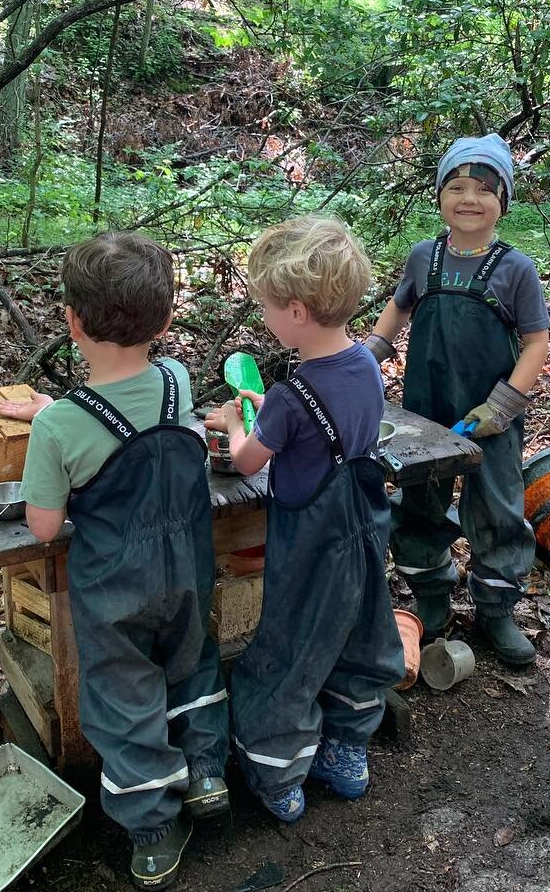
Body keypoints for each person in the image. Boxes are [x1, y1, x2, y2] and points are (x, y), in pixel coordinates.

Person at [0, 233, 227, 891]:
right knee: (192, 660)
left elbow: (44, 524)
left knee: (121, 694)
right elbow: (135, 421)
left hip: (114, 586)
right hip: (185, 565)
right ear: (166, 320)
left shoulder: (58, 427)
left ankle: (152, 830)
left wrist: (51, 427)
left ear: (71, 321)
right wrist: (58, 414)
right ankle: (206, 773)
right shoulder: (175, 379)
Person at [204, 216, 405, 824]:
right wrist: (276, 413)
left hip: (311, 543)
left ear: (294, 312)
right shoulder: (365, 364)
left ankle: (278, 771)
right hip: (364, 531)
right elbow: (333, 427)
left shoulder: (293, 396)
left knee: (289, 645)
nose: (263, 314)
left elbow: (245, 461)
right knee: (359, 632)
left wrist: (239, 423)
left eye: (265, 304)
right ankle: (346, 752)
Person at [362, 133, 550, 667]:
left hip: (490, 416)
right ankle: (431, 599)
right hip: (425, 411)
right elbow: (397, 312)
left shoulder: (516, 269)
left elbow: (536, 341)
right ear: (440, 196)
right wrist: (367, 355)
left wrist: (504, 404)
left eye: (484, 190)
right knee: (419, 504)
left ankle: (496, 611)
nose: (469, 198)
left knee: (496, 508)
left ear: (503, 203)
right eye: (457, 187)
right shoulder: (425, 257)